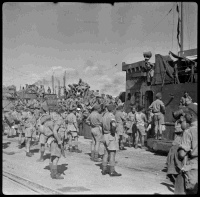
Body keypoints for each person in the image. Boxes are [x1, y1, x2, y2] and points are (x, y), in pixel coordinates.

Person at [174, 103, 198, 194]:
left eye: (186, 113)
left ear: (191, 116)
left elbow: (182, 154)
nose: (184, 115)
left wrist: (180, 149)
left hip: (193, 168)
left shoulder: (189, 131)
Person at [101, 104, 122, 176]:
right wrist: (113, 132)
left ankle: (104, 169)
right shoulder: (111, 116)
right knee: (112, 154)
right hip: (110, 135)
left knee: (106, 153)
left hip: (105, 135)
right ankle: (112, 171)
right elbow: (113, 125)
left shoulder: (104, 116)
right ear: (113, 109)